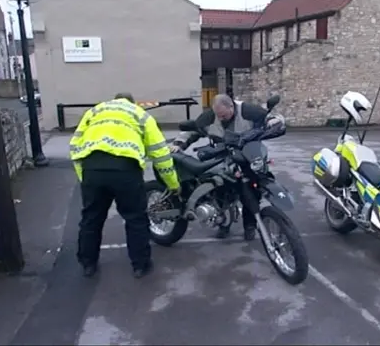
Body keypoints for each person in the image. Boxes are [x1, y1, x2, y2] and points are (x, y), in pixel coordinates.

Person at [70, 92, 180, 279]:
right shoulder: (140, 114)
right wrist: (173, 184)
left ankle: (88, 263)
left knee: (91, 218)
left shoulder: (95, 111)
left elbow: (75, 146)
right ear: (132, 102)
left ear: (114, 100)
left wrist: (84, 178)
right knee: (135, 219)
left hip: (93, 168)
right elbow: (160, 154)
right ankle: (140, 265)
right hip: (125, 170)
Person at [168, 94, 284, 241]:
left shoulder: (248, 111)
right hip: (223, 156)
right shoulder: (209, 117)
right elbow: (193, 130)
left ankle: (250, 226)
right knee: (221, 190)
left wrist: (274, 121)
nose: (221, 118)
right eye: (218, 115)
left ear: (231, 106)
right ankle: (224, 223)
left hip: (248, 154)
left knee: (250, 191)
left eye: (224, 115)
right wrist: (178, 144)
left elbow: (269, 117)